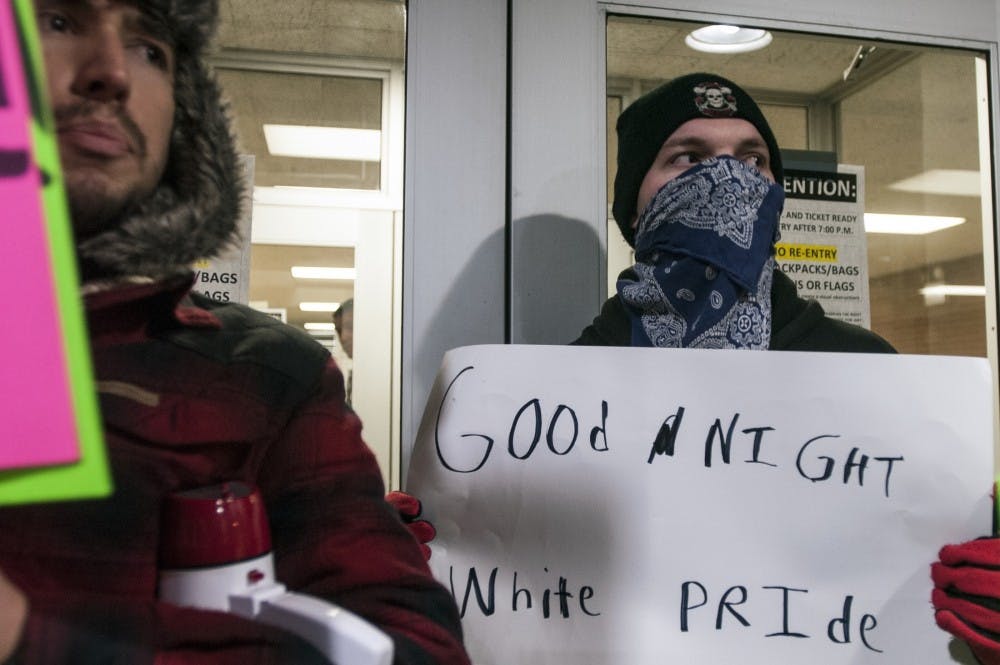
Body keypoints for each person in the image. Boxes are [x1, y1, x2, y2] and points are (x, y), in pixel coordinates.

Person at [0, 1, 470, 663]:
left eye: (151, 49)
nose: (111, 71)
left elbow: (416, 650)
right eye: (57, 21)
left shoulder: (267, 374)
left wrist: (39, 638)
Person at [573, 71, 1000, 663]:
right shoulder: (562, 388)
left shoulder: (867, 367)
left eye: (753, 161)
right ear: (634, 203)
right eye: (687, 158)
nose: (727, 180)